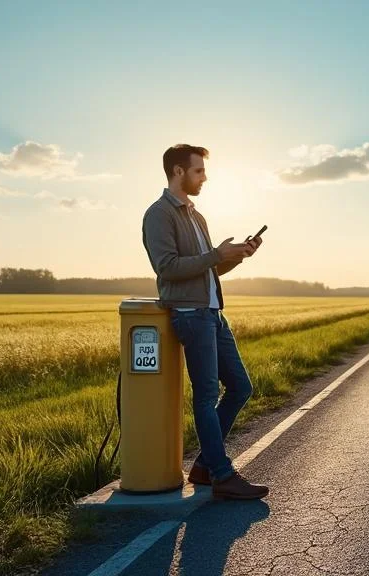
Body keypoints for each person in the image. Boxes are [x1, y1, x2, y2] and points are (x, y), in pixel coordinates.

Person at [141, 144, 269, 500]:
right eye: (198, 171)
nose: (204, 177)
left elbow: (208, 267)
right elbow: (167, 267)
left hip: (212, 313)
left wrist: (237, 256)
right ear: (178, 172)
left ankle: (203, 466)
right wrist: (216, 254)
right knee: (207, 394)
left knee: (241, 388)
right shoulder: (159, 215)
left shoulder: (197, 216)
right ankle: (222, 474)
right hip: (190, 315)